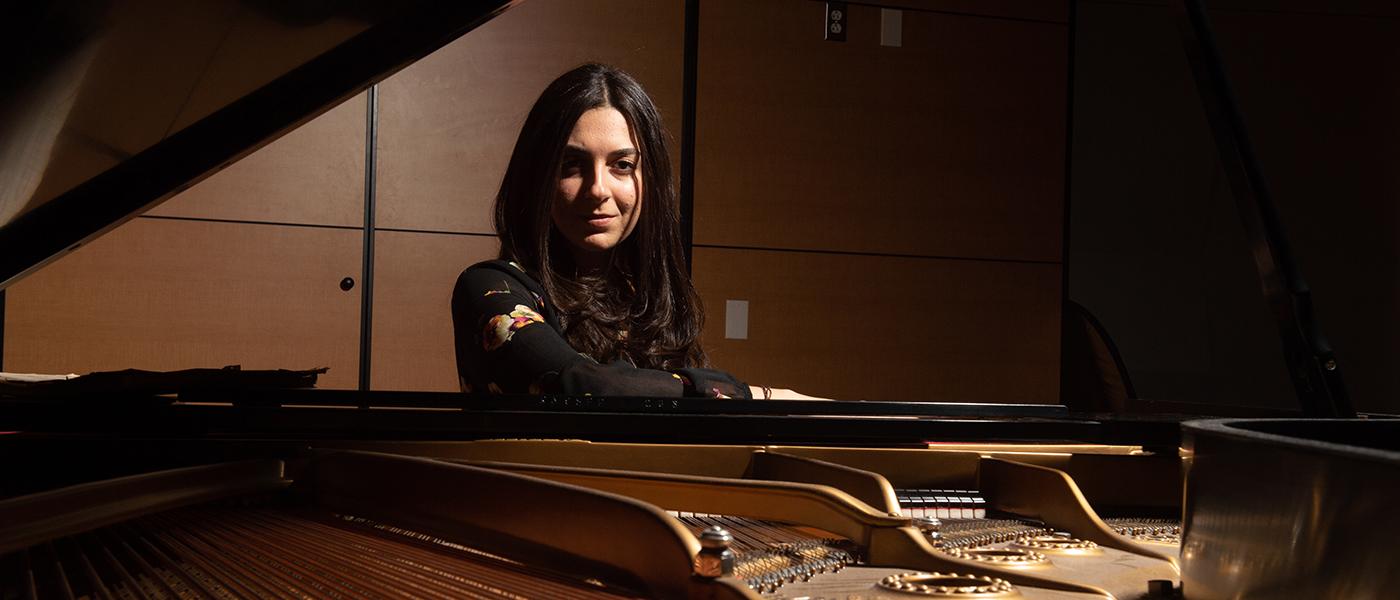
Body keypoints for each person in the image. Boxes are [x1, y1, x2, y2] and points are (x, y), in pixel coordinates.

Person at [452, 63, 805, 400]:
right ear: (537, 177)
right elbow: (581, 384)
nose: (598, 189)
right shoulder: (488, 289)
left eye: (622, 165)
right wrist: (753, 396)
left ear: (649, 180)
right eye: (572, 165)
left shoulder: (648, 300)